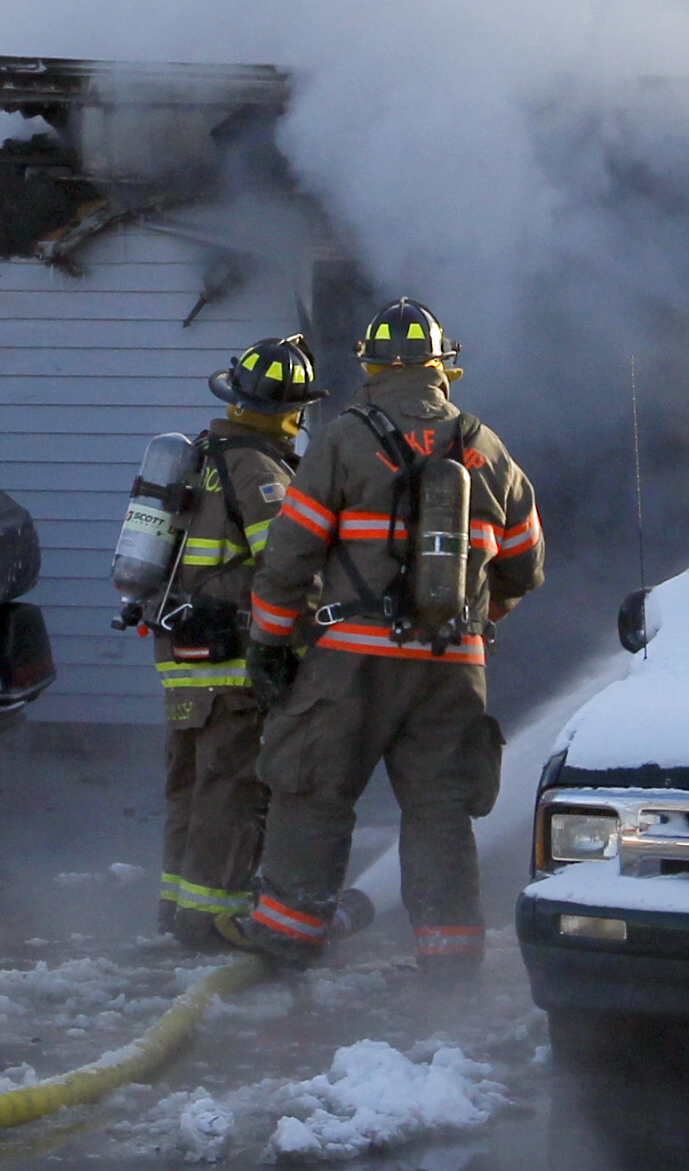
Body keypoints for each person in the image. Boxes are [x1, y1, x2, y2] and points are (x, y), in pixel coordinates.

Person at [228, 299, 544, 970]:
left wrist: (271, 644)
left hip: (350, 662)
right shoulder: (488, 447)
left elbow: (291, 554)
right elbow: (525, 567)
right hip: (451, 666)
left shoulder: (344, 439)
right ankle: (450, 960)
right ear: (443, 366)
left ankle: (287, 940)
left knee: (312, 793)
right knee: (441, 811)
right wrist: (474, 623)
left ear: (370, 366)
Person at [148, 335, 321, 949]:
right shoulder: (258, 467)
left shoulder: (200, 454)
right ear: (290, 411)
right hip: (232, 656)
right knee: (231, 788)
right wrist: (308, 640)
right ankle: (211, 920)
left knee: (191, 784)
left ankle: (177, 908)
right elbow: (285, 565)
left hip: (181, 651)